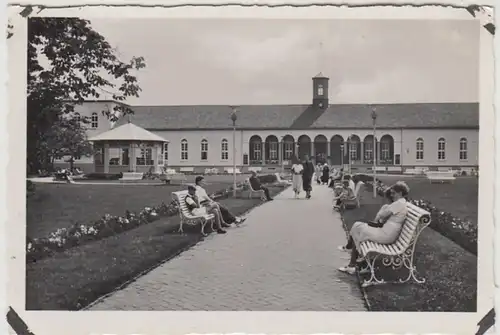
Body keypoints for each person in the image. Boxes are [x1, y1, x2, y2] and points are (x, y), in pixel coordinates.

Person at [338, 181, 410, 275]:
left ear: (400, 193)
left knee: (359, 229)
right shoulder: (399, 203)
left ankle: (353, 263)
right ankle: (353, 255)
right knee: (357, 226)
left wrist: (383, 210)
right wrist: (383, 212)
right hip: (386, 231)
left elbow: (382, 215)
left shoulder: (399, 203)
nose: (391, 195)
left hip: (387, 235)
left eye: (393, 193)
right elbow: (381, 218)